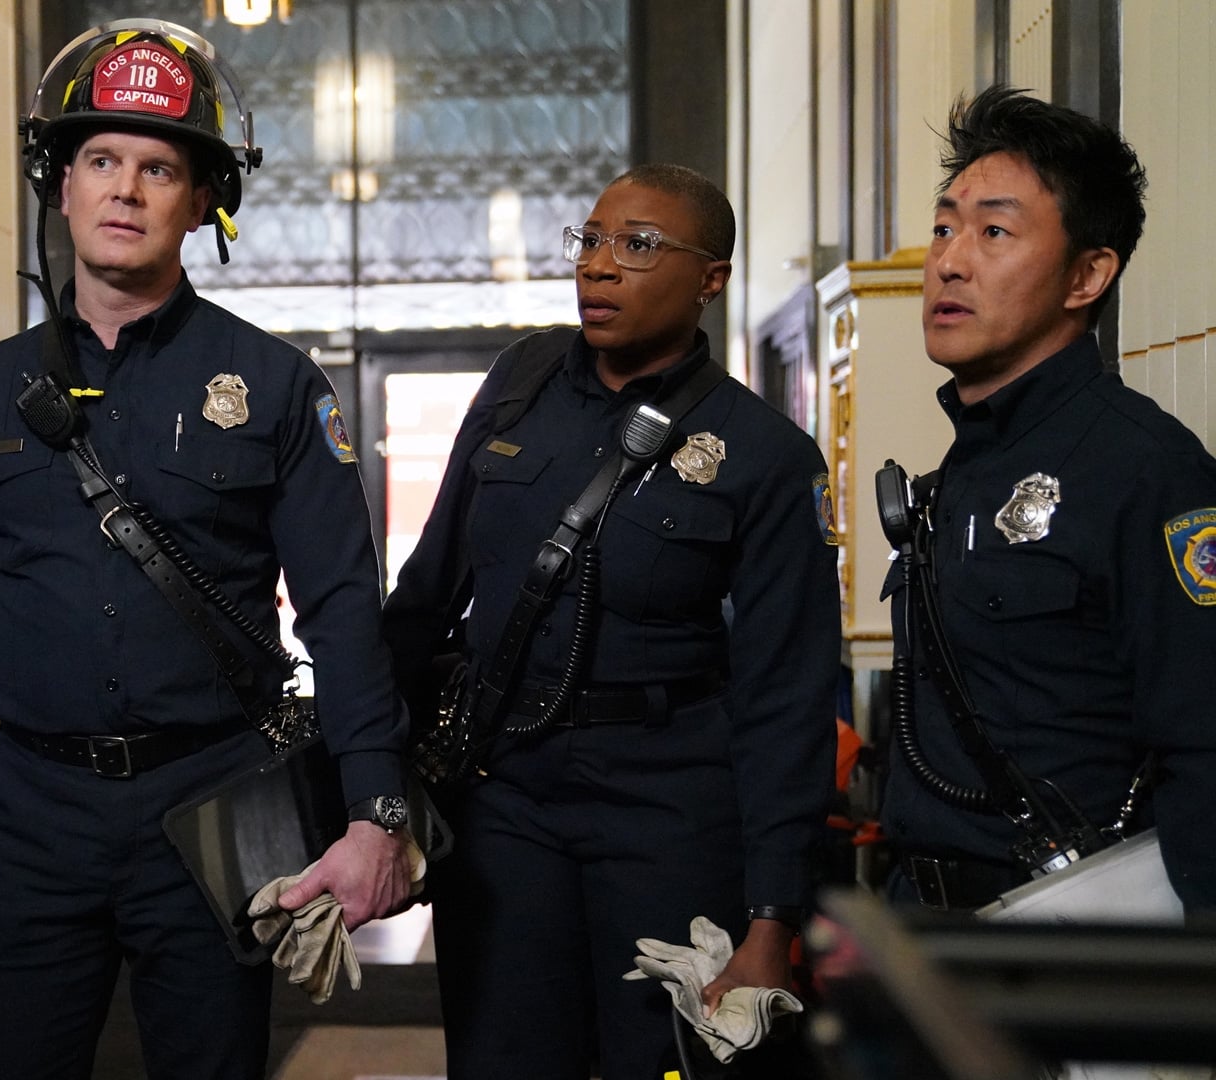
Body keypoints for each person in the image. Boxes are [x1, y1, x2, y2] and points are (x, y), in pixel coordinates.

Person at [0, 19, 409, 1079]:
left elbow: (345, 610)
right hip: (31, 816)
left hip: (212, 812)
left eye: (158, 168)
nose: (125, 189)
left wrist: (376, 811)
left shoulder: (275, 386)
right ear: (61, 185)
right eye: (100, 160)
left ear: (203, 200)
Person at [383, 164, 839, 1078]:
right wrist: (368, 794)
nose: (598, 265)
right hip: (504, 800)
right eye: (590, 240)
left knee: (660, 1062)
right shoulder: (521, 383)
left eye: (639, 245)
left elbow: (786, 699)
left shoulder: (765, 456)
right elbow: (426, 592)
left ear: (711, 278)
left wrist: (772, 920)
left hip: (668, 814)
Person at [879, 85, 1215, 914]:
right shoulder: (966, 463)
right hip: (924, 922)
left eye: (994, 232)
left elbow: (1205, 744)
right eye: (945, 228)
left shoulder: (1145, 468)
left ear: (1088, 274)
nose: (950, 261)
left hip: (1062, 936)